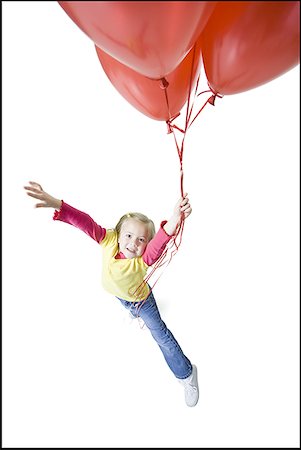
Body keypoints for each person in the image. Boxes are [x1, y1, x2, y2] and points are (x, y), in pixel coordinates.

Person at [24, 181, 199, 407]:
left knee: (161, 335)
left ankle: (186, 374)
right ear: (117, 234)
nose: (133, 243)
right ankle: (132, 311)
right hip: (121, 296)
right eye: (128, 235)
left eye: (141, 240)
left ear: (146, 246)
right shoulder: (107, 240)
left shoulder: (142, 261)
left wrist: (175, 218)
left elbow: (159, 242)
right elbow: (85, 222)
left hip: (141, 300)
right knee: (125, 302)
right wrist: (57, 203)